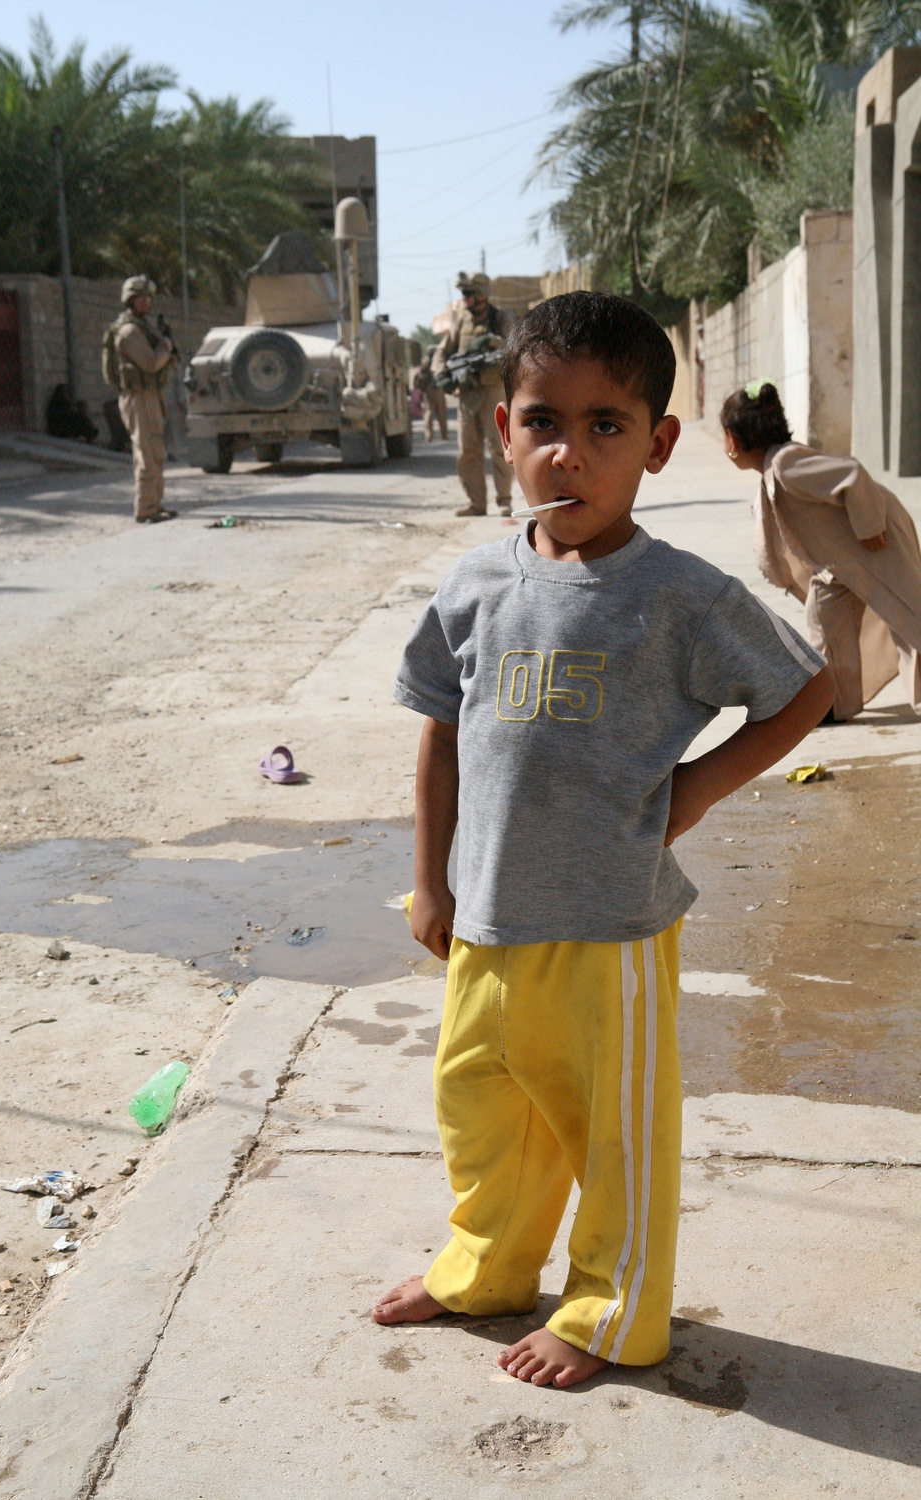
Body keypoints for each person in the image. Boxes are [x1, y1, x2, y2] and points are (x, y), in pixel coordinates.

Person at [373, 291, 833, 1388]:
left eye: (604, 428)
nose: (568, 455)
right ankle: (484, 1268)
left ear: (658, 444)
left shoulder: (677, 595)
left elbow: (804, 691)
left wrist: (693, 794)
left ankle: (611, 1311)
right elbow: (439, 725)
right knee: (482, 1112)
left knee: (611, 1138)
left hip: (607, 928)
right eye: (543, 424)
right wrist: (428, 884)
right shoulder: (477, 581)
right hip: (485, 916)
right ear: (503, 433)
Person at [722, 380, 921, 722]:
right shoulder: (775, 468)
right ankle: (832, 702)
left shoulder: (786, 463)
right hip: (838, 563)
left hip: (877, 541)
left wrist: (869, 527)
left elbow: (853, 475)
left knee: (908, 618)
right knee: (823, 619)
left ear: (734, 441)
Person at [432, 272, 512, 516]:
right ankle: (477, 503)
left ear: (482, 295)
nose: (465, 299)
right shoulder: (460, 321)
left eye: (469, 294)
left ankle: (504, 501)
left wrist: (492, 342)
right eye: (463, 294)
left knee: (499, 447)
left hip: (492, 390)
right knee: (468, 451)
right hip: (468, 395)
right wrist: (441, 374)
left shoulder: (500, 318)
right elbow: (441, 353)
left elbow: (513, 347)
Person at [103, 276, 177, 524]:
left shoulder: (141, 327)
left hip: (148, 395)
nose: (146, 303)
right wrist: (166, 345)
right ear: (130, 300)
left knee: (155, 450)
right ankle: (146, 508)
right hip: (139, 396)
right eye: (140, 299)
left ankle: (153, 504)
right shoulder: (129, 331)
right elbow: (150, 362)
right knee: (147, 452)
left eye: (148, 298)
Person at [414, 346, 448, 442]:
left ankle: (429, 436)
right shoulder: (437, 361)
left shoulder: (424, 362)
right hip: (437, 389)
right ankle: (443, 435)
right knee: (441, 413)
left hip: (428, 391)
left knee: (428, 414)